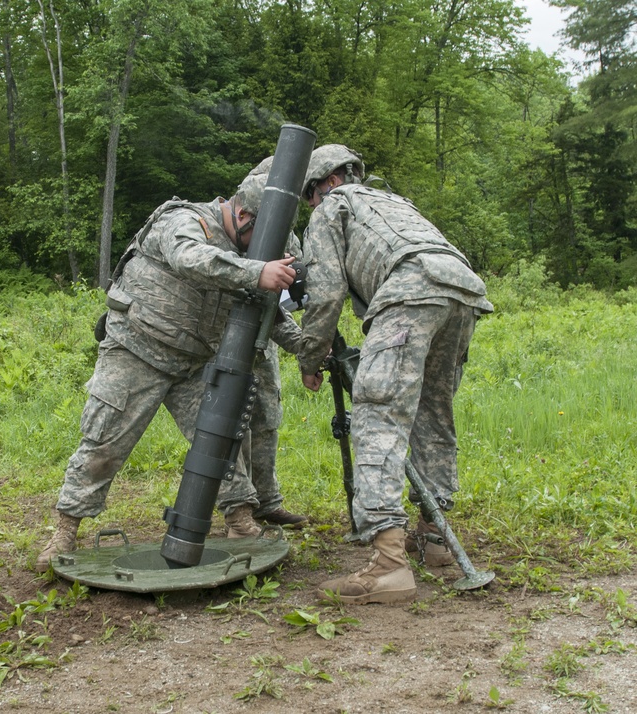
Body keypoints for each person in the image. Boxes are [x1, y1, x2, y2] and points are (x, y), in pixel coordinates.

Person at [36, 161, 304, 572]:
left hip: (195, 363)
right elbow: (189, 258)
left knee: (223, 440)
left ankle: (239, 520)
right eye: (255, 243)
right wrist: (256, 271)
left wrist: (309, 348)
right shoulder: (185, 220)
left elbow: (267, 309)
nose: (256, 254)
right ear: (245, 215)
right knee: (104, 443)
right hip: (137, 350)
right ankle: (65, 529)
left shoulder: (249, 255)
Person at [295, 144, 493, 604]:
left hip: (408, 292)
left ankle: (388, 564)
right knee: (431, 413)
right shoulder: (395, 202)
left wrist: (310, 358)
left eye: (309, 196)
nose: (310, 205)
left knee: (378, 415)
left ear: (325, 184)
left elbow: (325, 295)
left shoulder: (332, 208)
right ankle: (434, 538)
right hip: (461, 290)